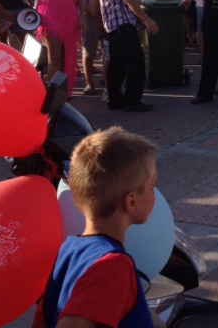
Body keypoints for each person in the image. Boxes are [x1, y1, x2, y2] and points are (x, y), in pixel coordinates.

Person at [33, 126, 157, 328]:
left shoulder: (69, 248)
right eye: (152, 187)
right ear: (131, 202)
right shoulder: (113, 265)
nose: (154, 194)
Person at [98, 0, 159, 112]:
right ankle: (133, 101)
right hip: (122, 22)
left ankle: (115, 99)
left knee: (117, 63)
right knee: (135, 62)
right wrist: (145, 18)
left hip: (112, 23)